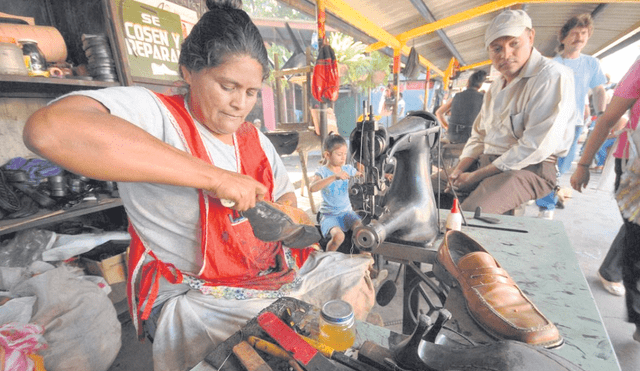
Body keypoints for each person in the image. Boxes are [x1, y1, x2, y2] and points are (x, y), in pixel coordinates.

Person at [22, 1, 375, 370]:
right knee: (277, 345)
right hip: (194, 293)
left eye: (252, 92)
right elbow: (48, 130)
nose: (241, 104)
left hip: (263, 276)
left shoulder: (254, 138)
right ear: (188, 71)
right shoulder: (156, 115)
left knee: (350, 278)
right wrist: (215, 177)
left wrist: (289, 218)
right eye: (228, 86)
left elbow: (283, 195)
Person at [432, 9, 578, 215]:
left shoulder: (551, 76)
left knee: (470, 216)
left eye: (514, 44)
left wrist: (476, 176)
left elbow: (535, 147)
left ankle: (461, 242)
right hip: (488, 162)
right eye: (497, 48)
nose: (505, 55)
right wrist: (459, 170)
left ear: (530, 37)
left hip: (530, 168)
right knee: (423, 192)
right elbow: (479, 136)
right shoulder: (496, 85)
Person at [571, 56, 640, 312]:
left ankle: (612, 271)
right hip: (635, 164)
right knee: (636, 233)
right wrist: (583, 165)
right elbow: (609, 117)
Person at [536, 13, 607, 219]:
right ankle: (546, 205)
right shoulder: (551, 65)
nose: (579, 37)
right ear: (563, 38)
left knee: (563, 166)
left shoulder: (591, 63)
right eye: (574, 33)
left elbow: (599, 90)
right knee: (548, 165)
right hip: (552, 124)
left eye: (583, 33)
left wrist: (601, 114)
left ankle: (546, 195)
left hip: (575, 124)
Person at [310, 135, 363, 252]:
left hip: (347, 213)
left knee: (363, 234)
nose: (343, 158)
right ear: (327, 155)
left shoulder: (347, 169)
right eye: (339, 154)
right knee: (338, 237)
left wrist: (383, 175)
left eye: (345, 154)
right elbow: (312, 188)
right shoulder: (322, 171)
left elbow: (362, 175)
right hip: (329, 215)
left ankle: (368, 265)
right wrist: (334, 177)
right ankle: (327, 260)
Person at [435, 69, 487, 144]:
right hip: (471, 137)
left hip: (452, 136)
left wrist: (447, 127)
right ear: (480, 85)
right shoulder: (483, 98)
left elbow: (438, 113)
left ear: (468, 82)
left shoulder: (456, 96)